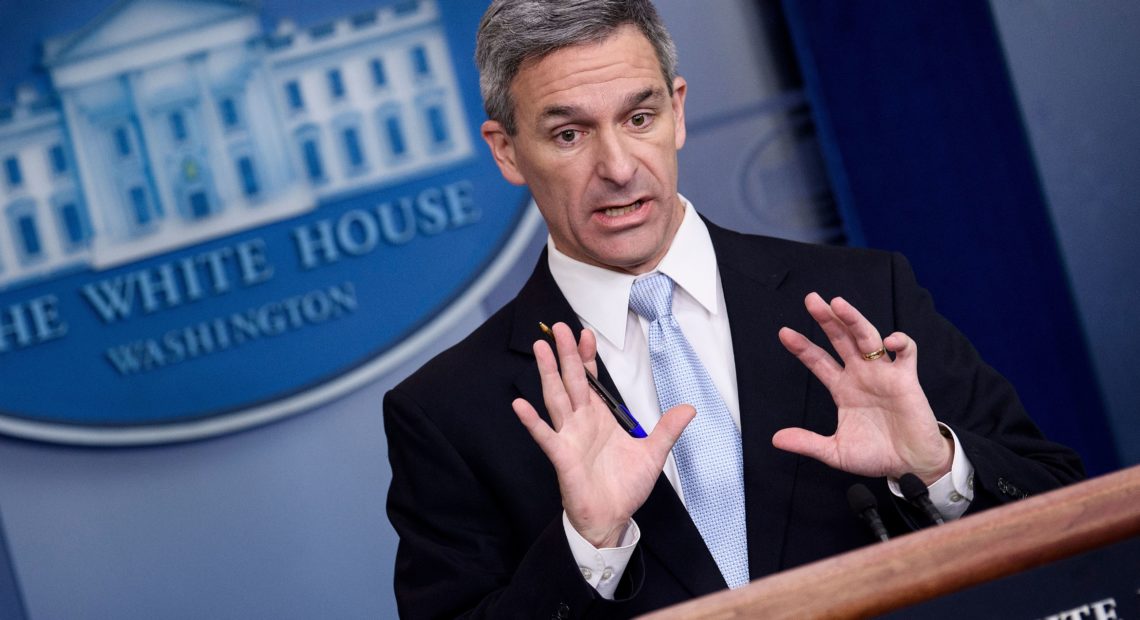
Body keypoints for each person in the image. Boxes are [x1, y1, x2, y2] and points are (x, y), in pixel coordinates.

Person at [383, 1, 1084, 617]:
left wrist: (937, 469)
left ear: (679, 111)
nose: (620, 166)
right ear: (507, 151)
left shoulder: (865, 297)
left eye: (639, 116)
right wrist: (587, 547)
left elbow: (1066, 509)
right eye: (570, 134)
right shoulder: (450, 411)